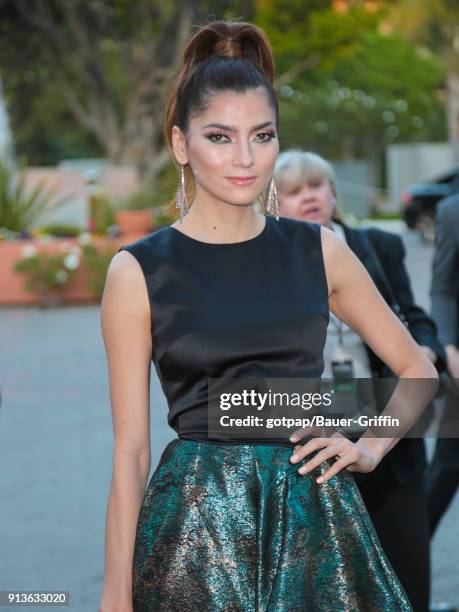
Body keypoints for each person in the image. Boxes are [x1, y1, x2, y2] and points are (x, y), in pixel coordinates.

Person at [99, 21, 437, 612]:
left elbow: (417, 369)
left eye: (262, 135)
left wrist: (369, 448)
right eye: (220, 137)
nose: (245, 158)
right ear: (181, 145)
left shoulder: (320, 250)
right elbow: (130, 450)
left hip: (314, 523)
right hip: (194, 532)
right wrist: (115, 591)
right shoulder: (136, 271)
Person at [274, 149, 446, 612]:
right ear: (275, 203)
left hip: (386, 422)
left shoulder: (378, 247)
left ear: (333, 191)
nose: (309, 197)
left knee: (405, 571)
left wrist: (422, 351)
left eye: (316, 185)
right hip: (315, 430)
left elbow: (414, 317)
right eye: (294, 191)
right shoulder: (271, 260)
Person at [427, 194, 459, 536]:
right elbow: (443, 287)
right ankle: (407, 574)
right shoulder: (452, 212)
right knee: (447, 468)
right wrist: (448, 346)